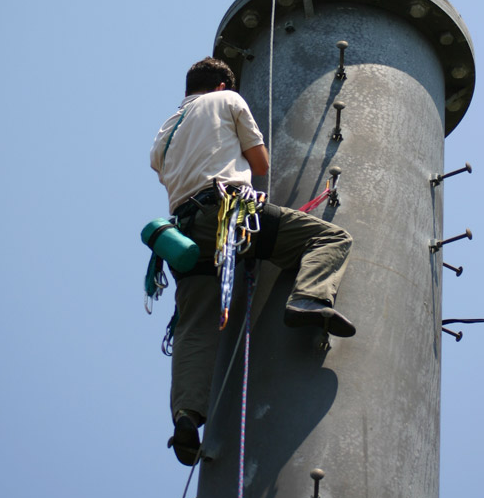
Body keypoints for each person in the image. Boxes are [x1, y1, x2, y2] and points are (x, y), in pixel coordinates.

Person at [150, 57, 354, 466]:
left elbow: (164, 170)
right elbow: (259, 164)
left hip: (184, 234)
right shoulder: (228, 100)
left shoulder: (164, 133)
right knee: (330, 237)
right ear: (223, 82)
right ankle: (309, 298)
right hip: (228, 214)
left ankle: (187, 417)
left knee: (194, 327)